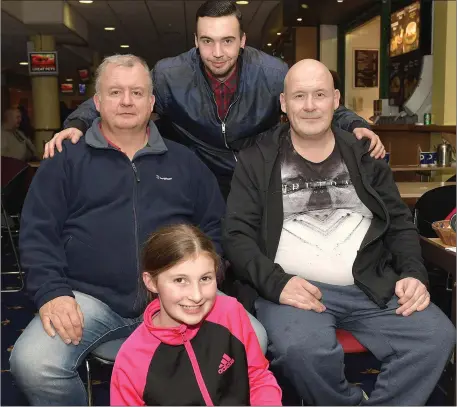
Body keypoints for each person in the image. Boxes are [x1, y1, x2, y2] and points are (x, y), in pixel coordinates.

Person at [222, 59, 455, 406]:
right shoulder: (257, 159)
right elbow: (236, 236)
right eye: (299, 96)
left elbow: (399, 223)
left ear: (335, 100)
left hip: (370, 285)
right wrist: (277, 284)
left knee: (437, 336)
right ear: (284, 104)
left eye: (319, 94)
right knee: (302, 350)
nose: (311, 105)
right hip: (295, 289)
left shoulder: (365, 157)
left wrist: (413, 273)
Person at [9, 54, 227, 406]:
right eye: (115, 92)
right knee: (34, 364)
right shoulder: (66, 159)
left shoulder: (185, 162)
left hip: (179, 298)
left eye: (137, 93)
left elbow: (215, 228)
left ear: (151, 102)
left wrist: (202, 281)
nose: (126, 101)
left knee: (255, 338)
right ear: (97, 102)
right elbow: (38, 232)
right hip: (88, 300)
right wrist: (52, 293)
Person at [42, 0, 385, 199]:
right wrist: (75, 124)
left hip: (255, 175)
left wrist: (355, 124)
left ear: (243, 40)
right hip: (195, 177)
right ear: (195, 40)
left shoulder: (271, 72)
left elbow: (314, 100)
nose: (217, 53)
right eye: (207, 41)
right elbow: (122, 94)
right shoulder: (169, 74)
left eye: (227, 41)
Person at [111, 224, 282, 406]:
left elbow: (257, 377)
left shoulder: (230, 312)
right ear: (151, 282)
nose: (197, 295)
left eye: (205, 278)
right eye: (180, 280)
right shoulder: (131, 361)